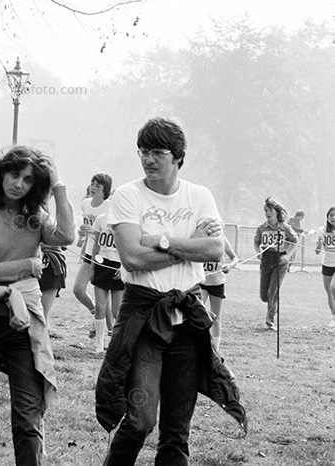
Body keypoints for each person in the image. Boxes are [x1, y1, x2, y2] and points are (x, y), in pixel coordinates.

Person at [95, 117, 247, 465]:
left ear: (177, 156)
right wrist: (188, 243)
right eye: (143, 152)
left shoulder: (199, 196)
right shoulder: (128, 195)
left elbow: (213, 250)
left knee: (177, 432)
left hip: (187, 320)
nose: (148, 159)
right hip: (144, 318)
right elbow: (132, 257)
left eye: (157, 152)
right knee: (139, 419)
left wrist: (161, 241)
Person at [0, 146, 75, 465]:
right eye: (14, 174)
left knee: (27, 419)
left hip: (24, 327)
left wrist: (59, 186)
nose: (18, 184)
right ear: (1, 173)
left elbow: (66, 235)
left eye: (27, 179)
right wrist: (28, 265)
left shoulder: (34, 217)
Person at [73, 173, 112, 339]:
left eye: (98, 185)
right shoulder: (86, 204)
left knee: (105, 298)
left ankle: (110, 332)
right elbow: (86, 230)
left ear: (105, 189)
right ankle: (97, 315)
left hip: (106, 257)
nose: (93, 187)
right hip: (89, 253)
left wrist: (95, 232)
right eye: (92, 183)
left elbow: (112, 233)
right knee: (78, 289)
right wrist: (82, 235)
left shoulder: (110, 206)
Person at [253, 197, 297, 331]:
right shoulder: (261, 228)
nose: (267, 213)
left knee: (273, 290)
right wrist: (259, 251)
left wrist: (288, 256)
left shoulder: (285, 227)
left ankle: (270, 320)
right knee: (264, 295)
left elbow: (295, 241)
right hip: (266, 259)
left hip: (280, 260)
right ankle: (271, 303)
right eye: (265, 210)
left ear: (276, 211)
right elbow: (256, 242)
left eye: (270, 210)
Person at [89, 188, 123, 353]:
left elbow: (128, 248)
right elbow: (96, 245)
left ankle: (115, 344)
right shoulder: (101, 220)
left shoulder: (126, 223)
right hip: (102, 264)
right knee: (100, 306)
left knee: (117, 311)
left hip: (118, 267)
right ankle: (98, 345)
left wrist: (124, 268)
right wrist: (92, 265)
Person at [200, 237, 239, 350]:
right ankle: (198, 345)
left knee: (215, 317)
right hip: (201, 283)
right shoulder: (198, 238)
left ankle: (215, 349)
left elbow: (235, 258)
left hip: (217, 283)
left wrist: (230, 266)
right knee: (198, 315)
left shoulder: (222, 240)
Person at [314, 206, 335, 327]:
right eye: (331, 215)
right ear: (327, 217)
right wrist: (319, 243)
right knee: (329, 292)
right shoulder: (322, 230)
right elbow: (317, 251)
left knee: (333, 288)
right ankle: (334, 318)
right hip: (326, 264)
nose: (333, 217)